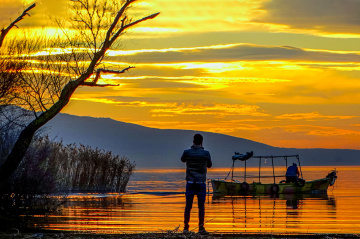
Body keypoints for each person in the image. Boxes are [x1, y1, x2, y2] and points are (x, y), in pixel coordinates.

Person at [181, 133, 212, 235]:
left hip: (190, 182)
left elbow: (183, 160)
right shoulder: (206, 153)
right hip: (201, 182)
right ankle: (201, 228)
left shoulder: (187, 152)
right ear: (201, 142)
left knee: (188, 206)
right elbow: (210, 165)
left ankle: (186, 227)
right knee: (201, 207)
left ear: (193, 141)